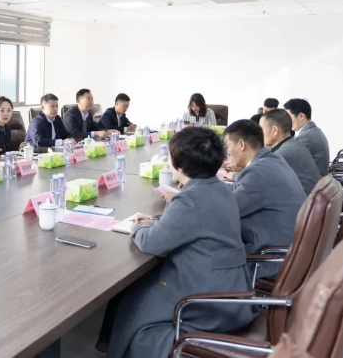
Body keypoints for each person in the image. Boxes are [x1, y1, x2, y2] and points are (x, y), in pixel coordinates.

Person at [97, 127, 254, 358]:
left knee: (134, 302)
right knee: (134, 294)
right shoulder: (219, 188)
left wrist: (137, 226)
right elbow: (194, 223)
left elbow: (151, 243)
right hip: (231, 287)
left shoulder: (189, 200)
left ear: (180, 165)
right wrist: (157, 220)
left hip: (207, 300)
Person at [224, 120, 305, 279]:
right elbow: (237, 192)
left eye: (227, 146)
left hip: (270, 259)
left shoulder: (258, 173)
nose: (227, 152)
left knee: (203, 257)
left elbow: (225, 212)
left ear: (241, 144)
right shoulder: (273, 161)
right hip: (289, 252)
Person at [260, 109, 320, 196]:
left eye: (261, 129)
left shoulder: (283, 153)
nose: (260, 134)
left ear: (275, 130)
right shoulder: (294, 144)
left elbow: (259, 181)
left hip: (303, 201)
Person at [284, 98, 330, 176]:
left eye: (288, 117)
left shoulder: (306, 137)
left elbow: (286, 159)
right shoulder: (314, 131)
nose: (286, 121)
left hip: (314, 182)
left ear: (301, 116)